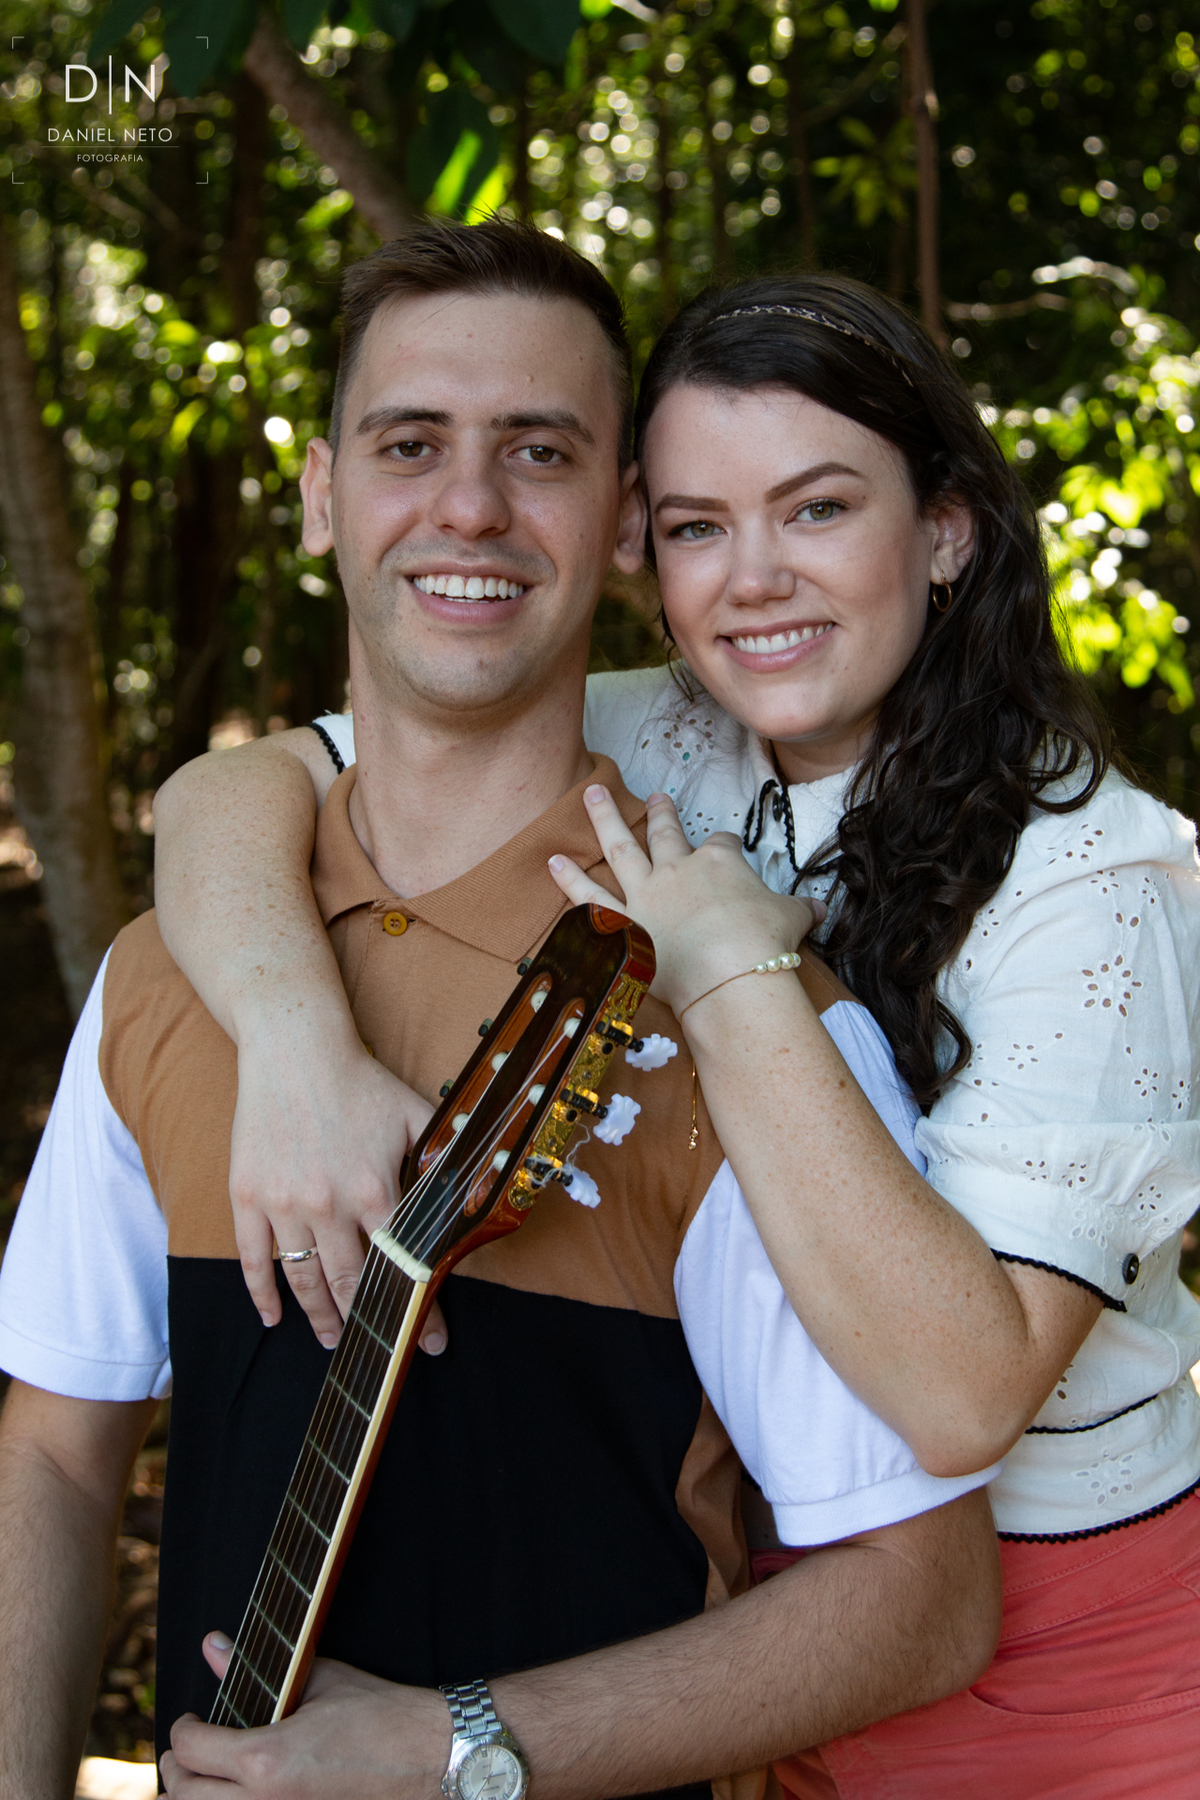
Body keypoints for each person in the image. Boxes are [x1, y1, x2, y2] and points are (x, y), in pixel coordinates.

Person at [151, 257, 1200, 1798]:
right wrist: (297, 1045)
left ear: (951, 531)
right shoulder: (682, 725)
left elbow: (962, 1395)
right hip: (751, 1622)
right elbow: (232, 790)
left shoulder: (1104, 882)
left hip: (1064, 1665)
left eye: (820, 509)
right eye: (703, 528)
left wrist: (725, 974)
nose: (753, 579)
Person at [0, 224, 1002, 1800]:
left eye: (537, 451)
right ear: (326, 492)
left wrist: (461, 1747)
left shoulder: (729, 1011)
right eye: (411, 445)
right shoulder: (171, 972)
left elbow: (923, 1599)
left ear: (619, 526)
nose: (468, 505)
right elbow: (61, 1444)